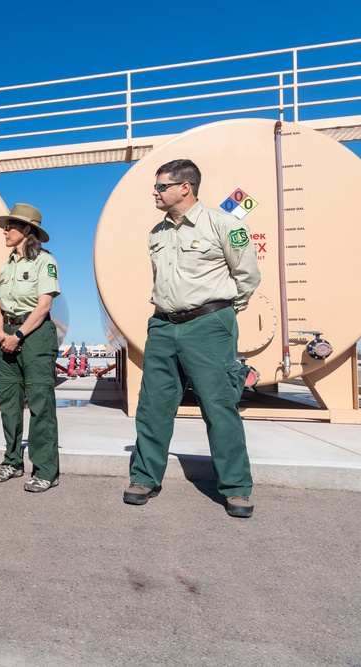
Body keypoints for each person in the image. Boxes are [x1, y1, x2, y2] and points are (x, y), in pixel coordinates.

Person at [124, 158, 261, 518]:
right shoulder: (157, 233)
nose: (155, 192)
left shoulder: (223, 224)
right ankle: (145, 478)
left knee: (218, 405)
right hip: (163, 325)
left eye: (161, 186)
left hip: (208, 324)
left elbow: (246, 275)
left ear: (185, 187)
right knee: (153, 405)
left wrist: (223, 314)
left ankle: (235, 488)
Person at [0, 204, 61, 492]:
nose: (5, 231)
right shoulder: (7, 265)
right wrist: (1, 333)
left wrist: (17, 334)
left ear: (26, 230)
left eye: (10, 226)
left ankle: (46, 471)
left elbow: (44, 306)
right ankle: (12, 462)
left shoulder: (45, 261)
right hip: (6, 335)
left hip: (35, 336)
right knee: (9, 405)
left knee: (41, 406)